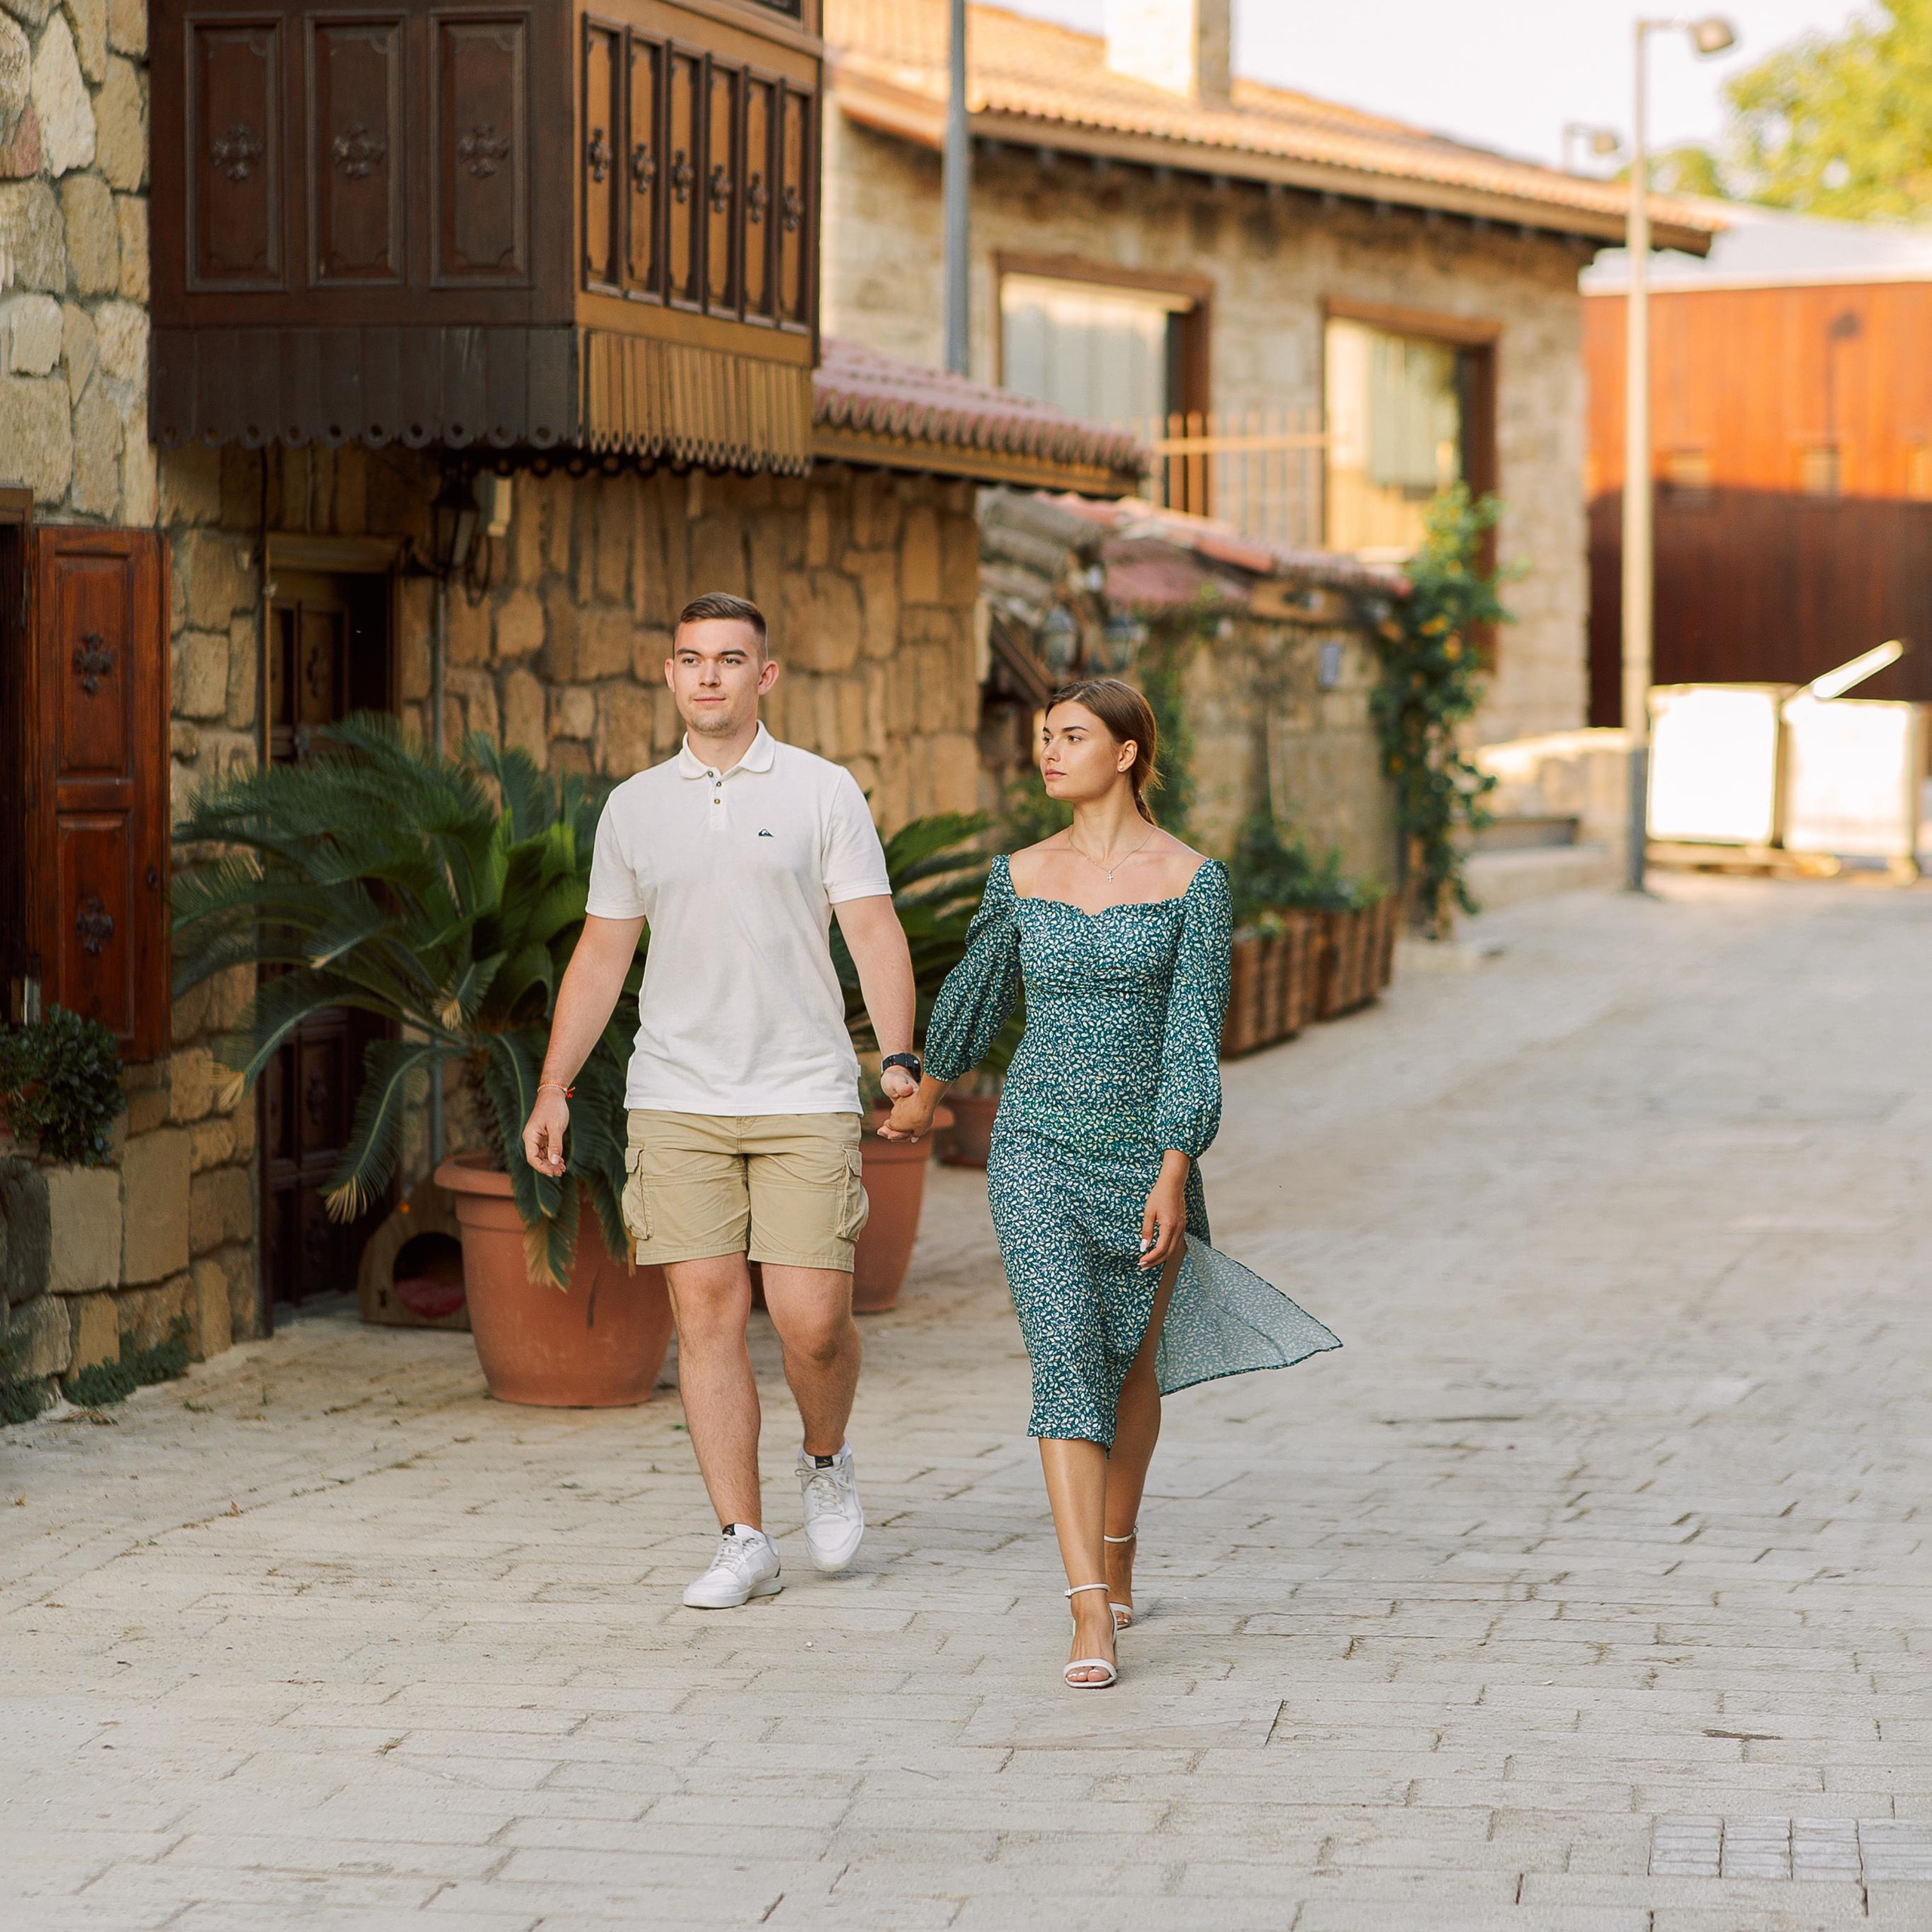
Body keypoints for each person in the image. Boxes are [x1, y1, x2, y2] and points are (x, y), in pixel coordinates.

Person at [881, 677, 1340, 1688]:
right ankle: (1088, 1611)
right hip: (1034, 1145)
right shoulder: (1021, 873)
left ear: (1127, 752)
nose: (1049, 752)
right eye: (1045, 738)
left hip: (1145, 1154)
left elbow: (1194, 1037)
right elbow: (977, 991)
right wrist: (923, 1082)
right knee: (1066, 1360)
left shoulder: (1193, 881)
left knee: (1131, 1365)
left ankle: (1120, 1549)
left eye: (1072, 736)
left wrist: (1177, 1164)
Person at [522, 591, 923, 1610]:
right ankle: (743, 1538)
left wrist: (901, 1059)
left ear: (765, 676)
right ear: (670, 674)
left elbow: (873, 932)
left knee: (812, 1320)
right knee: (704, 1314)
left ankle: (825, 1460)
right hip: (677, 1095)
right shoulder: (635, 807)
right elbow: (604, 952)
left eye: (730, 659)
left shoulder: (824, 792)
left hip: (801, 1090)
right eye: (691, 658)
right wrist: (556, 1085)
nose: (708, 676)